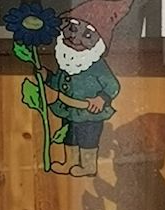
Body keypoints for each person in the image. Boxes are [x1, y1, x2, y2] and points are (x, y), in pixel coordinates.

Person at [46, 0, 132, 176]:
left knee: (87, 139)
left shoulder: (95, 65)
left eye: (87, 36)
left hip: (89, 114)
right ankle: (69, 161)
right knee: (69, 136)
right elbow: (59, 81)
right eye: (73, 28)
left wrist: (102, 98)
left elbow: (112, 85)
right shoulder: (66, 61)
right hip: (68, 110)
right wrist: (46, 76)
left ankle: (88, 166)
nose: (75, 38)